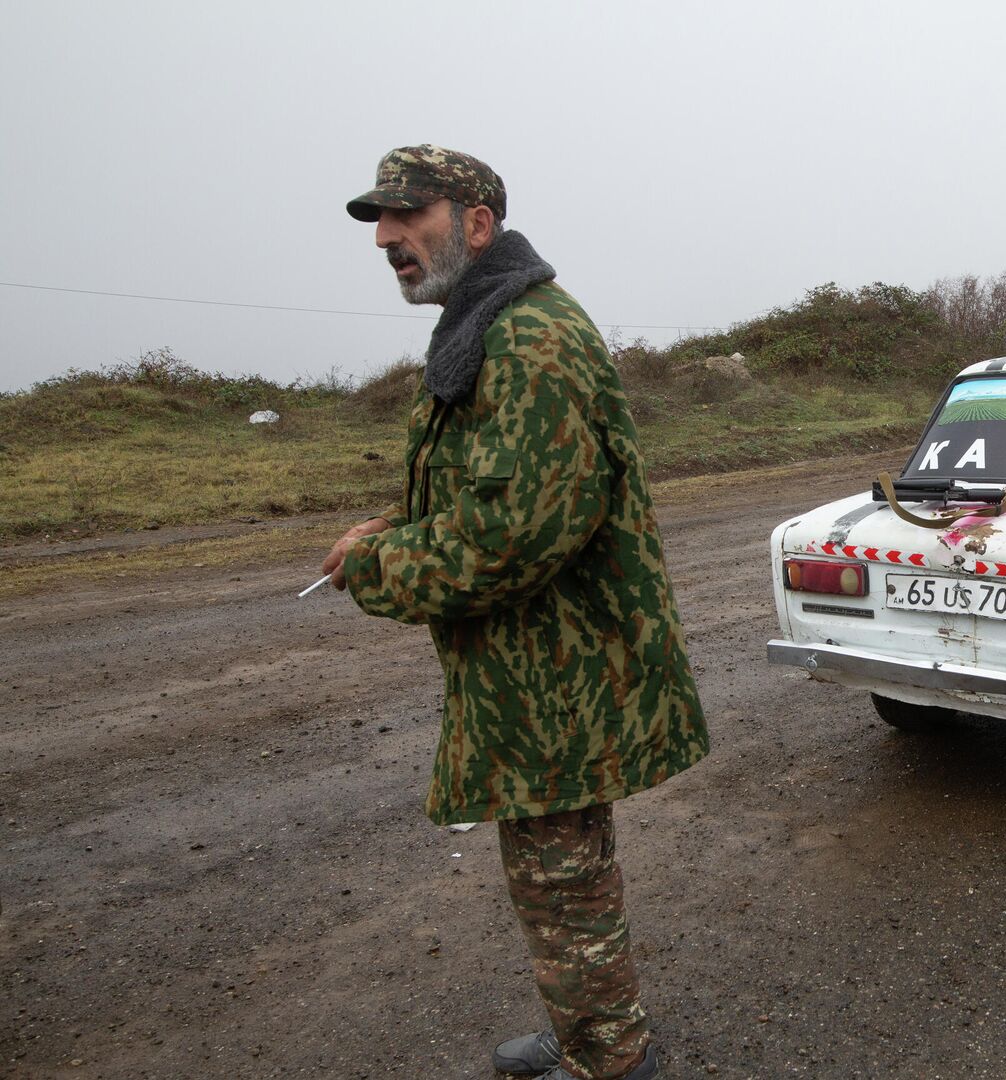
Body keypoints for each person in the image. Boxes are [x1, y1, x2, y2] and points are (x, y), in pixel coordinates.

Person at [319, 145, 708, 1080]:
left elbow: (508, 539)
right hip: (535, 665)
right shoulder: (487, 319)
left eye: (408, 216)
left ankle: (610, 1062)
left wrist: (377, 564)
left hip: (562, 668)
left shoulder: (530, 338)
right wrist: (397, 519)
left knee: (560, 877)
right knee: (554, 873)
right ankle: (593, 1034)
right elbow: (485, 478)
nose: (387, 237)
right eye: (381, 220)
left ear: (478, 224)